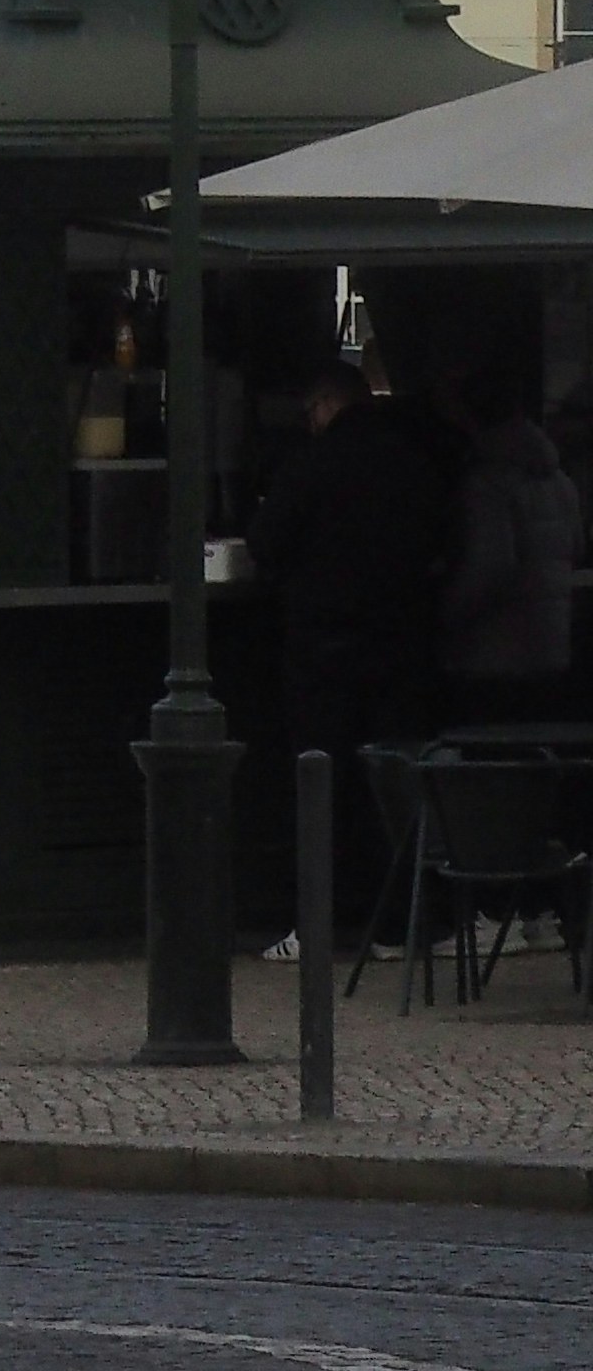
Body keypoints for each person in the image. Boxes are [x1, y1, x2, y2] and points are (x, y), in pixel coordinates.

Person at [249, 353, 458, 938]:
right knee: (395, 792)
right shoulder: (415, 464)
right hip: (403, 650)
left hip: (324, 656)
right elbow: (447, 542)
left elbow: (266, 545)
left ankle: (321, 923)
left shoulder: (310, 466)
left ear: (323, 406)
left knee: (323, 790)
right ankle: (407, 923)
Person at [442, 377, 583, 725]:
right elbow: (576, 548)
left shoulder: (486, 482)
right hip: (551, 643)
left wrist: (447, 619)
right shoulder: (559, 480)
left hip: (496, 651)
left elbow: (491, 568)